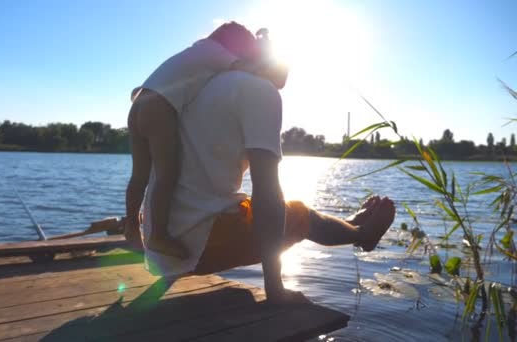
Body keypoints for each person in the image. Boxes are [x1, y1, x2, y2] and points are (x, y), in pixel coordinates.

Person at [127, 46, 396, 304]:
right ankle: (362, 234)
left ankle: (348, 225)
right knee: (301, 214)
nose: (282, 85)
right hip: (195, 250)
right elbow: (266, 191)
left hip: (160, 246)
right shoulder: (261, 90)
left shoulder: (201, 85)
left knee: (270, 210)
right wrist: (274, 288)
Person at [125, 22, 268, 259]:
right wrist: (265, 52)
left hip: (140, 103)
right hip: (160, 107)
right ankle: (158, 235)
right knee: (167, 173)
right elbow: (248, 70)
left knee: (140, 175)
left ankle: (130, 226)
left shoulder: (197, 50)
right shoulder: (218, 53)